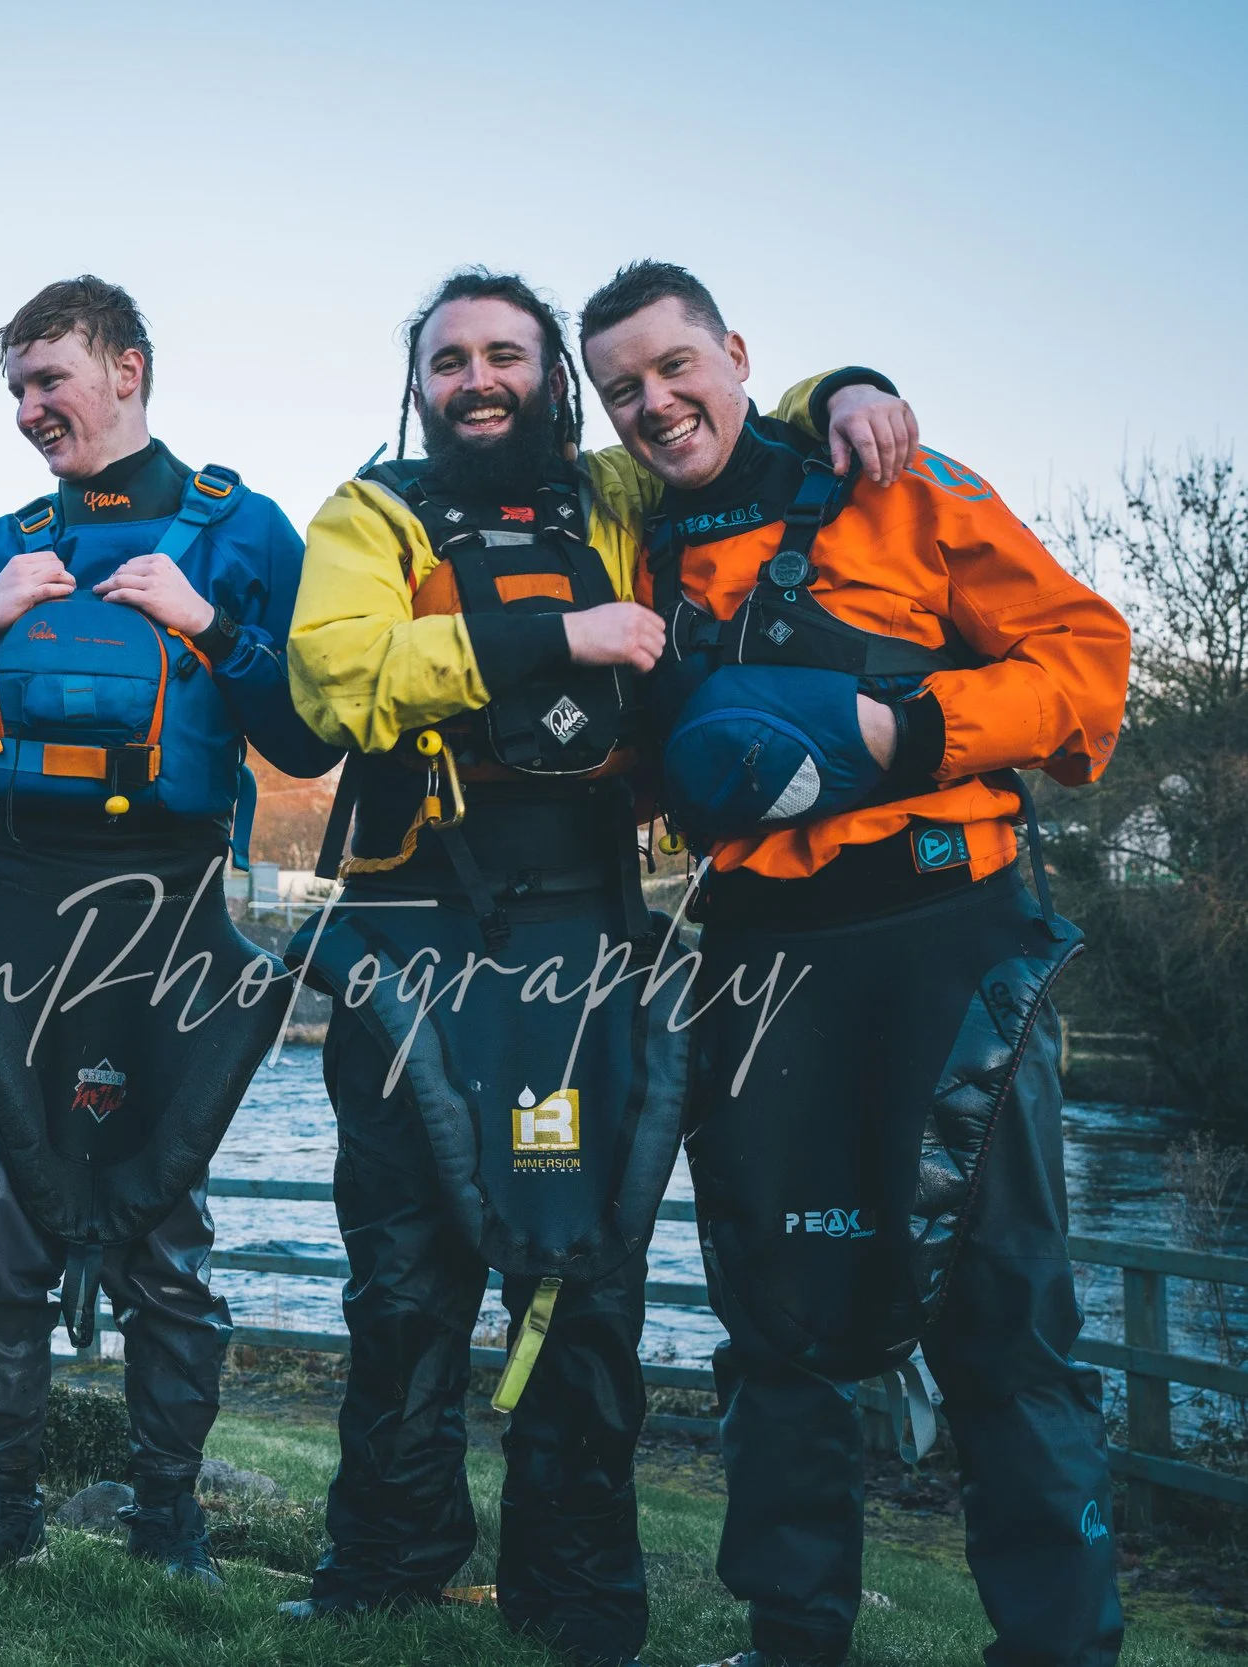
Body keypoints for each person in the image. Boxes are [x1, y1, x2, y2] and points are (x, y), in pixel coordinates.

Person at [283, 267, 916, 1667]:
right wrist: (558, 635)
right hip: (409, 938)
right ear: (419, 386)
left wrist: (841, 387)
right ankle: (382, 1566)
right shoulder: (370, 512)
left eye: (507, 354)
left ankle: (576, 1598)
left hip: (587, 948)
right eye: (450, 360)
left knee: (582, 1280)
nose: (479, 380)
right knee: (400, 1275)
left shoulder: (616, 496)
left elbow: (731, 424)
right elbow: (335, 679)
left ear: (554, 379)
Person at [576, 260, 1129, 1667]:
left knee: (1004, 1313)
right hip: (759, 962)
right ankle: (791, 1639)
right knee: (776, 1319)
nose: (655, 402)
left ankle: (1059, 1649)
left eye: (675, 366)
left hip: (951, 939)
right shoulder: (634, 551)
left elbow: (1088, 665)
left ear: (735, 352)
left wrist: (906, 732)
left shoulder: (897, 479)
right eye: (621, 387)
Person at [0, 276, 342, 1587]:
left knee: (165, 1230)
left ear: (126, 369)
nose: (32, 408)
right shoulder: (2, 543)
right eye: (18, 388)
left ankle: (167, 1517)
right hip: (20, 908)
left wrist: (213, 625)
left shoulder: (242, 529)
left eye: (52, 379)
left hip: (176, 915)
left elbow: (309, 736)